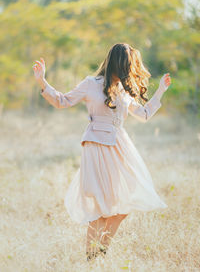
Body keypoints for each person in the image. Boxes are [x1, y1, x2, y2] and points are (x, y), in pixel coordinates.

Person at [33, 43, 171, 261]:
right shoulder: (91, 84)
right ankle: (91, 260)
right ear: (116, 62)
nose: (128, 69)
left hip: (119, 148)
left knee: (121, 208)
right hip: (95, 145)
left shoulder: (124, 90)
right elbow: (62, 101)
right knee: (98, 209)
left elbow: (144, 114)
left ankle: (100, 253)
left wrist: (161, 90)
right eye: (126, 64)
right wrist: (43, 82)